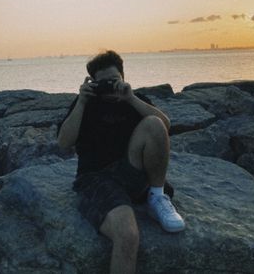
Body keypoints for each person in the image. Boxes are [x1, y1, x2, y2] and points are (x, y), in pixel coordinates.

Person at [57, 50, 185, 274]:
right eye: (103, 83)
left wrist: (131, 98)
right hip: (96, 179)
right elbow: (63, 142)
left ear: (123, 78)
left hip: (131, 172)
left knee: (153, 123)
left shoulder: (133, 100)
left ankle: (157, 196)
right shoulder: (85, 103)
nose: (109, 87)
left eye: (114, 81)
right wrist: (82, 102)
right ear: (93, 83)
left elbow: (164, 125)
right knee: (127, 235)